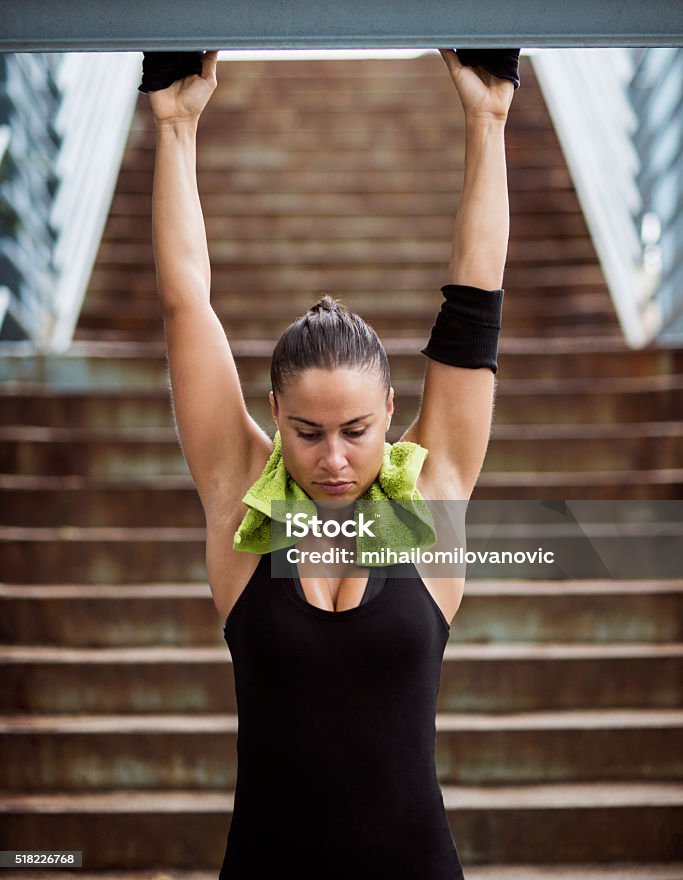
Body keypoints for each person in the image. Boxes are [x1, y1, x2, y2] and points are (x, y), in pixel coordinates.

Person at [145, 46, 518, 879]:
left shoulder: (431, 495)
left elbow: (475, 302)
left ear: (392, 412)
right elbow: (185, 303)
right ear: (272, 417)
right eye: (307, 433)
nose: (335, 459)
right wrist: (174, 126)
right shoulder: (240, 501)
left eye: (356, 429)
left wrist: (487, 120)